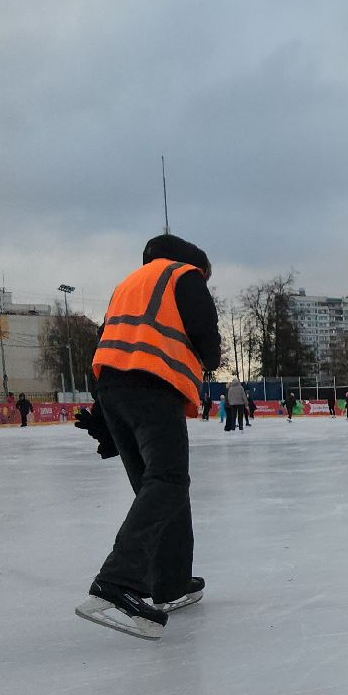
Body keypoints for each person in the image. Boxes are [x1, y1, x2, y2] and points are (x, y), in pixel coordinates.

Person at [73, 233, 223, 639]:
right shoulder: (185, 276)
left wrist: (105, 415)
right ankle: (117, 583)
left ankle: (169, 585)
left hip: (113, 389)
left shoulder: (129, 284)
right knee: (170, 481)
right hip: (154, 386)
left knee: (156, 486)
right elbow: (210, 347)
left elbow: (109, 345)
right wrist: (208, 354)